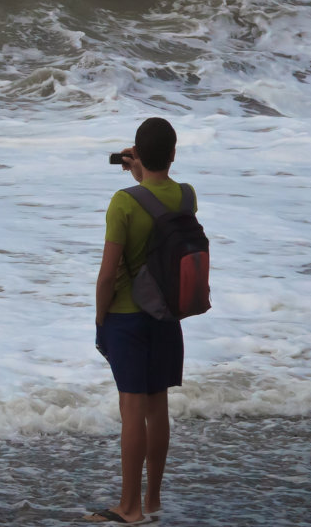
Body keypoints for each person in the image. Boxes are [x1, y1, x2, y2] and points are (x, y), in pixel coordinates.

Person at [87, 117, 190, 524]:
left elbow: (108, 274)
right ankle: (152, 501)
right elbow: (160, 199)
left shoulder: (123, 202)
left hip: (127, 318)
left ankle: (127, 508)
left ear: (139, 155)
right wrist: (143, 173)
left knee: (131, 409)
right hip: (167, 315)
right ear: (174, 154)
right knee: (156, 406)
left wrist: (99, 320)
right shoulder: (186, 196)